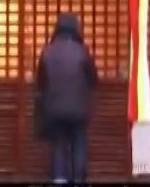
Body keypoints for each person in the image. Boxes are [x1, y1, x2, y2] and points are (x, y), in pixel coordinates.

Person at [35, 12, 97, 183]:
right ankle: (78, 179)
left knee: (58, 144)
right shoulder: (82, 52)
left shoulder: (47, 52)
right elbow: (93, 78)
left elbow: (40, 81)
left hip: (54, 109)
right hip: (78, 109)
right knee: (79, 143)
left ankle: (59, 178)